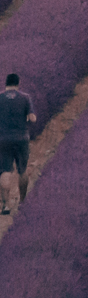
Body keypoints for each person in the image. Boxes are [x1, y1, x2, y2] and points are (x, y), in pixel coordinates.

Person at [0, 72, 32, 214]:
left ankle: (6, 206)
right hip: (21, 139)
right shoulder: (25, 98)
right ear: (18, 84)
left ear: (5, 84)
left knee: (5, 171)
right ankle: (23, 202)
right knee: (22, 170)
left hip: (3, 140)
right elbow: (33, 118)